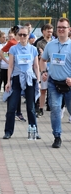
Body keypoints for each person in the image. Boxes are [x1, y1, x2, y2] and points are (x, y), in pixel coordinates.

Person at [3, 26, 40, 139]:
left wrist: (38, 81)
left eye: (25, 35)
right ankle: (8, 131)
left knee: (31, 107)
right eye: (20, 35)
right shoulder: (14, 49)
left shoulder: (33, 49)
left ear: (29, 36)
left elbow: (36, 66)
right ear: (17, 36)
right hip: (16, 78)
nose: (22, 37)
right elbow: (10, 66)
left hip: (29, 79)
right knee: (12, 106)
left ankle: (34, 131)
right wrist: (8, 81)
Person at [40, 17, 71, 148]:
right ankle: (57, 136)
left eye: (63, 27)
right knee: (55, 109)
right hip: (54, 83)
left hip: (69, 84)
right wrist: (43, 72)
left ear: (69, 29)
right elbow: (43, 60)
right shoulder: (50, 45)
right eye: (59, 27)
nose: (61, 30)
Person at [0, 26, 27, 122]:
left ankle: (17, 112)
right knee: (11, 92)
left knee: (18, 93)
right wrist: (7, 61)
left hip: (21, 72)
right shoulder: (12, 43)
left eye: (24, 34)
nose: (22, 35)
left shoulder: (22, 44)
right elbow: (0, 52)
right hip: (12, 71)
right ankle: (12, 113)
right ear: (17, 33)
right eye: (20, 34)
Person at [36, 23, 53, 117]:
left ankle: (51, 106)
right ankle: (41, 107)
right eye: (48, 31)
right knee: (43, 89)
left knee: (53, 88)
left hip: (53, 66)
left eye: (51, 31)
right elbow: (41, 56)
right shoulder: (40, 43)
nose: (50, 33)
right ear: (44, 32)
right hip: (44, 66)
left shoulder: (55, 41)